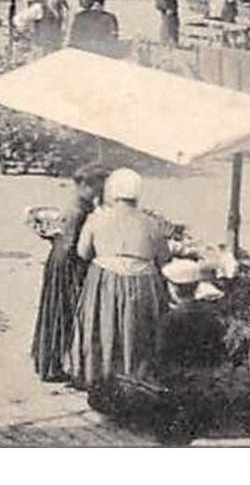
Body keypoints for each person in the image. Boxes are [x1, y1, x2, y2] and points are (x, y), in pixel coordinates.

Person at [67, 167, 171, 389]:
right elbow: (164, 258)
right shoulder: (152, 223)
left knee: (104, 328)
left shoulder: (97, 219)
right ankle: (136, 376)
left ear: (111, 192)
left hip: (105, 280)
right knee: (138, 330)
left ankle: (101, 375)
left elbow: (83, 253)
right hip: (142, 282)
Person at [30, 163, 108, 382]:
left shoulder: (77, 205)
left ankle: (48, 363)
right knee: (64, 313)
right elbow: (74, 246)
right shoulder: (79, 210)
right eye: (98, 188)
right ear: (86, 185)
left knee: (55, 312)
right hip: (67, 266)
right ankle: (55, 365)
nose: (100, 193)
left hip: (59, 261)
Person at [155, 259, 226, 374]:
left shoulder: (169, 320)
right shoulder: (212, 317)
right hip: (206, 380)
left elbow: (161, 357)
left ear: (173, 288)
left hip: (177, 381)